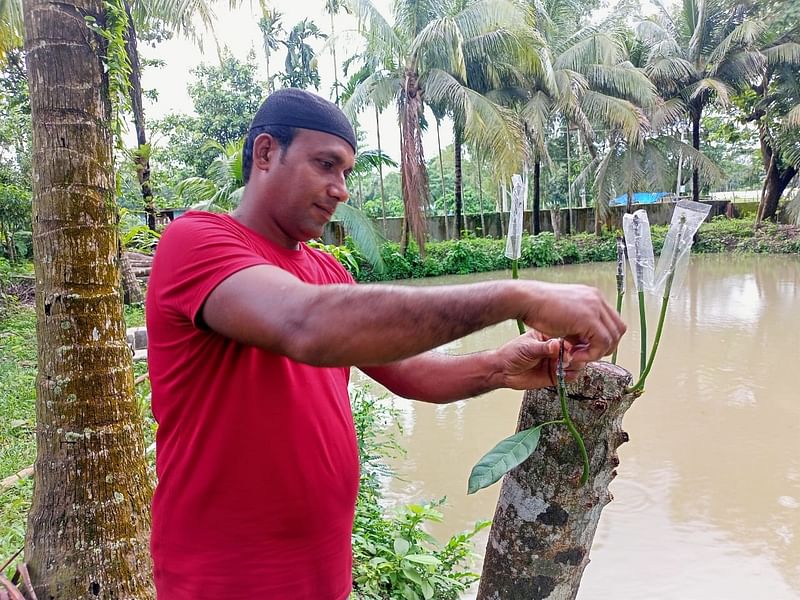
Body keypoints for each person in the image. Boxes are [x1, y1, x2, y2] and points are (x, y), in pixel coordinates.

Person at [145, 88, 626, 599]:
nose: (341, 189)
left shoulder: (325, 269)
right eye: (325, 165)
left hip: (320, 568)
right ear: (265, 153)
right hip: (222, 575)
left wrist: (501, 368)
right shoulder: (197, 241)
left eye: (346, 172)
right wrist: (516, 296)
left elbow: (411, 373)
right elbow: (304, 326)